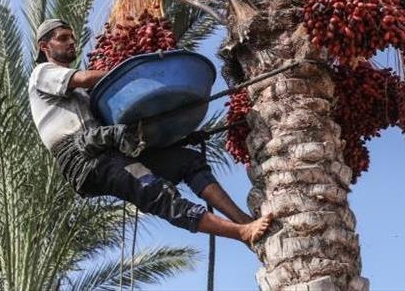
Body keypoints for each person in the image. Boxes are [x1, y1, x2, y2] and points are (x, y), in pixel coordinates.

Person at [28, 18, 272, 245]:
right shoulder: (42, 72)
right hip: (87, 160)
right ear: (44, 46)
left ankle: (244, 220)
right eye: (62, 38)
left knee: (187, 161)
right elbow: (83, 78)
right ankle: (241, 233)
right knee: (155, 192)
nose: (71, 42)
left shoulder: (82, 96)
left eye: (72, 37)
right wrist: (133, 72)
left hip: (107, 149)